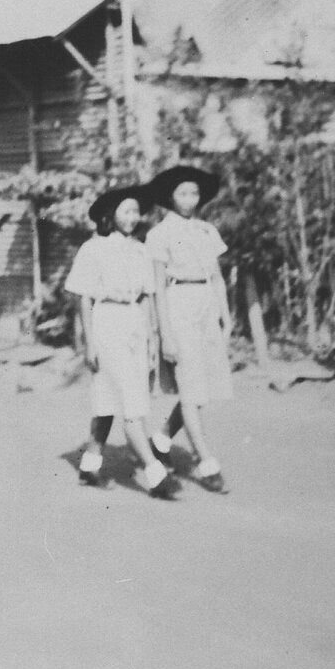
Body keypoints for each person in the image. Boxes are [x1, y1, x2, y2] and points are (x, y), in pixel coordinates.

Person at [64, 185, 174, 500]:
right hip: (107, 323)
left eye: (135, 211)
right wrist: (89, 343)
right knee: (130, 405)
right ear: (110, 215)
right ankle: (155, 474)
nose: (132, 217)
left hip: (134, 325)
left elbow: (148, 296)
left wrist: (153, 337)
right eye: (125, 211)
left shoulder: (141, 250)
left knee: (111, 398)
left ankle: (89, 464)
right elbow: (83, 299)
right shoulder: (94, 249)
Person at [145, 165, 232, 493]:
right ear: (171, 197)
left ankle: (162, 438)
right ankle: (206, 461)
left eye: (194, 193)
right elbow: (157, 286)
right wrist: (165, 332)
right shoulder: (159, 233)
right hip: (178, 303)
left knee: (200, 388)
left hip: (206, 304)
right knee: (191, 386)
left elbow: (218, 276)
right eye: (182, 193)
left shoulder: (207, 231)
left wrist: (226, 315)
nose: (189, 199)